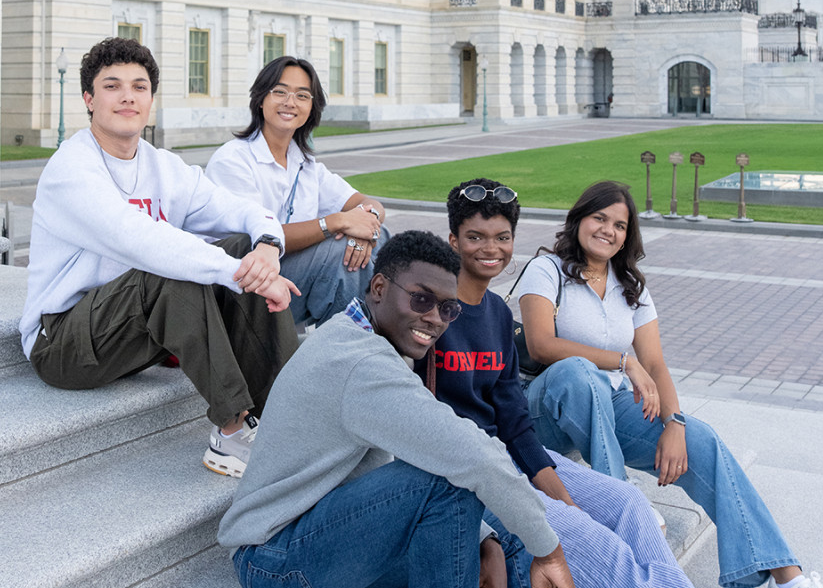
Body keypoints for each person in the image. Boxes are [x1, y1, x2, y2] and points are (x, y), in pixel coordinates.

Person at [218, 230, 575, 588]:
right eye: (421, 299)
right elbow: (474, 456)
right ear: (378, 288)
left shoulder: (359, 336)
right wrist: (549, 551)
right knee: (454, 481)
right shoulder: (360, 365)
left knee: (501, 539)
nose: (435, 318)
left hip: (324, 531)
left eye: (448, 308)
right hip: (273, 559)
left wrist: (485, 539)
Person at [516, 181, 823, 588]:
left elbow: (656, 364)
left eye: (620, 225)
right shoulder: (547, 269)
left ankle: (783, 574)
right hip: (540, 412)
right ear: (579, 220)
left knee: (702, 441)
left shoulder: (629, 285)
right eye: (599, 218)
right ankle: (624, 503)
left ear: (629, 235)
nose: (608, 230)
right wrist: (624, 362)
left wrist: (675, 423)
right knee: (578, 373)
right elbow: (541, 345)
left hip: (605, 407)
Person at [19, 37, 300, 479]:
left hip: (129, 331)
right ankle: (230, 434)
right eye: (112, 86)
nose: (128, 96)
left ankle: (285, 417)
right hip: (64, 341)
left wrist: (266, 244)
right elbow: (142, 242)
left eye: (140, 86)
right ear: (89, 100)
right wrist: (244, 276)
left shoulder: (162, 165)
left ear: (151, 98)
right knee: (170, 267)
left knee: (241, 249)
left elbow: (237, 207)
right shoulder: (70, 170)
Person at [410, 178, 693, 588]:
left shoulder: (498, 315)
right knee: (596, 544)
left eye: (502, 237)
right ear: (453, 240)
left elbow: (513, 420)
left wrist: (563, 495)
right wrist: (564, 511)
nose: (491, 249)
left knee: (629, 503)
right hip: (463, 474)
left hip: (509, 454)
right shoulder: (430, 311)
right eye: (475, 237)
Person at [205, 56, 387, 327]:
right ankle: (347, 346)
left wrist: (366, 229)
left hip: (289, 279)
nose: (290, 102)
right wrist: (337, 222)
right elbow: (257, 241)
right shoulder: (232, 161)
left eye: (302, 95)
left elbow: (368, 203)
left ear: (312, 107)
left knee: (378, 238)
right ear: (260, 99)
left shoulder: (305, 163)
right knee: (341, 254)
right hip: (241, 288)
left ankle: (362, 338)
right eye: (279, 92)